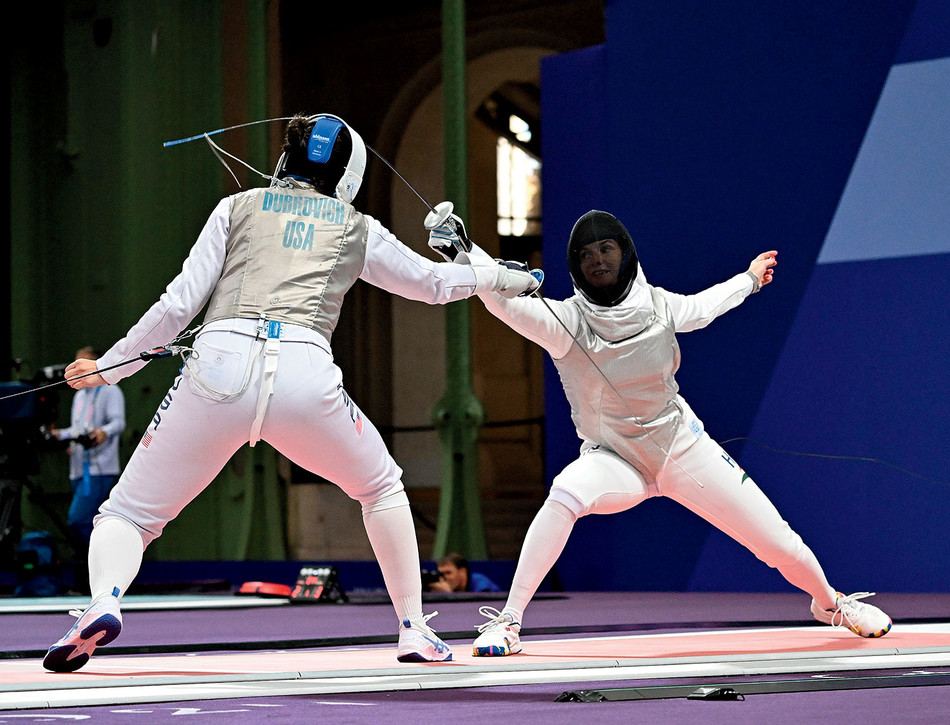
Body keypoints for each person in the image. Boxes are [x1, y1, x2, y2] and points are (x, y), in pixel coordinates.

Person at [41, 113, 539, 673]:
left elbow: (178, 305)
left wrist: (109, 368)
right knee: (380, 487)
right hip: (305, 376)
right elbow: (433, 284)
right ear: (348, 173)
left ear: (286, 160)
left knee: (129, 514)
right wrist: (504, 276)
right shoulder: (356, 225)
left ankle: (103, 603)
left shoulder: (238, 206)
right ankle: (413, 630)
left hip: (217, 366)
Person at [427, 209, 892, 657]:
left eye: (607, 249)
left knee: (778, 542)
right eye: (588, 255)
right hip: (614, 459)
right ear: (576, 267)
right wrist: (464, 252)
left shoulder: (659, 307)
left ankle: (831, 603)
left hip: (681, 449)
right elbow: (502, 300)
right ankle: (508, 620)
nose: (599, 261)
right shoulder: (565, 323)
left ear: (625, 253)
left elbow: (707, 306)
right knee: (566, 492)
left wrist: (748, 280)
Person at [51, 346, 126, 593]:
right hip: (78, 470)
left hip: (99, 468)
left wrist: (103, 432)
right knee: (86, 524)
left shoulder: (110, 390)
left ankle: (103, 573)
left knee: (80, 520)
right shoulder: (79, 395)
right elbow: (77, 429)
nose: (75, 370)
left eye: (80, 364)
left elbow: (118, 422)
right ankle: (90, 581)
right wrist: (58, 435)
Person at [427, 552, 502, 593]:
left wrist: (449, 595)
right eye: (441, 574)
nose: (444, 578)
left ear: (462, 571)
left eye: (448, 573)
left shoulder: (482, 586)